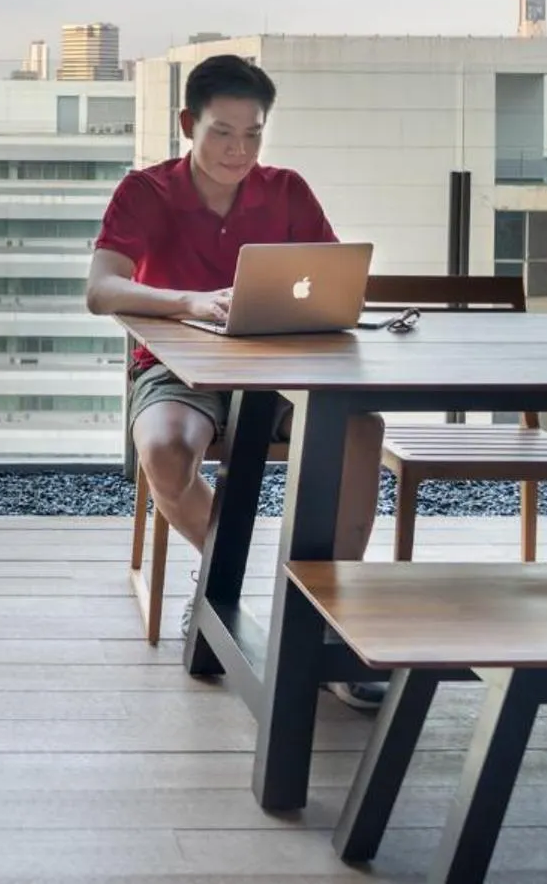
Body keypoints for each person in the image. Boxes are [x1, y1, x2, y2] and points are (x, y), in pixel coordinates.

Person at [84, 53, 386, 704]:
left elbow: (329, 272)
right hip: (177, 370)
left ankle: (331, 618)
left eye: (252, 133)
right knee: (165, 450)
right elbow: (100, 289)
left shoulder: (285, 191)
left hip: (276, 374)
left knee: (359, 428)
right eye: (222, 131)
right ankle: (226, 577)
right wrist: (187, 302)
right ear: (187, 123)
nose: (238, 148)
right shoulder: (146, 191)